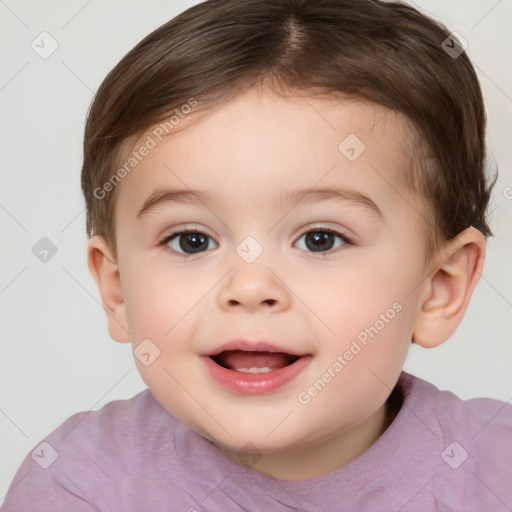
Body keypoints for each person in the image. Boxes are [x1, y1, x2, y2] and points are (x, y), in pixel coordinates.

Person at [2, 0, 510, 510]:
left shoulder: (494, 470)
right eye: (191, 240)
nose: (249, 287)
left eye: (320, 239)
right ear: (117, 291)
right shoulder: (77, 485)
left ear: (438, 288)